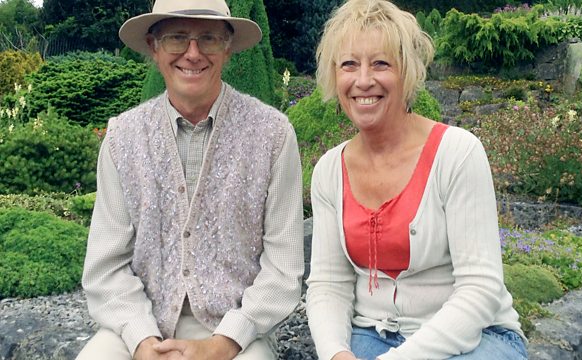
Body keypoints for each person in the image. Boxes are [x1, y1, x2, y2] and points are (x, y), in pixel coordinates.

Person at [75, 0, 304, 359]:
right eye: (176, 38)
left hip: (237, 330)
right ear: (153, 46)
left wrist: (224, 342)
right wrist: (141, 339)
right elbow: (106, 267)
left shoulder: (273, 135)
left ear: (228, 48)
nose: (192, 53)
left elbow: (284, 268)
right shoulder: (122, 139)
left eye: (208, 38)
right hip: (140, 324)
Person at [305, 1, 528, 359]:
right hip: (372, 336)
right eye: (349, 64)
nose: (363, 80)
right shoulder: (329, 170)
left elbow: (480, 289)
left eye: (381, 63)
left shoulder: (457, 153)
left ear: (407, 73)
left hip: (476, 338)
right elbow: (329, 284)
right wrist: (336, 354)